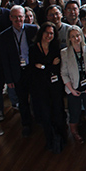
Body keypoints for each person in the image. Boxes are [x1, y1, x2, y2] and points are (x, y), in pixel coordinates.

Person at [0, 6, 38, 137]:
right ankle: (26, 123)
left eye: (20, 16)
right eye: (15, 17)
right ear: (10, 18)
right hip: (17, 72)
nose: (18, 19)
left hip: (32, 70)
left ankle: (38, 119)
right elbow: (4, 59)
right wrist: (9, 79)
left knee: (36, 96)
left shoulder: (33, 30)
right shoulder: (4, 36)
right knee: (22, 100)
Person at [29, 22, 66, 153]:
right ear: (41, 33)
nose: (48, 35)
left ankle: (61, 138)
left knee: (58, 111)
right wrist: (49, 65)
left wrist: (44, 66)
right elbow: (33, 69)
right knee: (45, 114)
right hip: (40, 87)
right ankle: (50, 140)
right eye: (46, 32)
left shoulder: (56, 48)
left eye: (51, 33)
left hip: (55, 86)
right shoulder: (33, 48)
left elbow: (56, 66)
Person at [61, 25, 86, 144]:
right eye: (73, 36)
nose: (76, 38)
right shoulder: (65, 53)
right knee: (74, 111)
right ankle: (75, 133)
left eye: (78, 35)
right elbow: (64, 73)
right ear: (69, 38)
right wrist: (71, 89)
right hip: (73, 88)